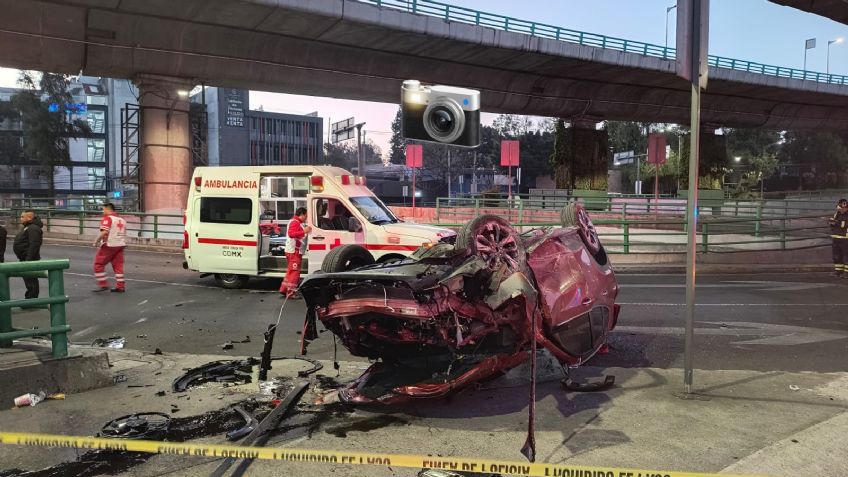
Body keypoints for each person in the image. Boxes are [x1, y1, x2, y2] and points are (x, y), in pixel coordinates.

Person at [93, 203, 127, 293]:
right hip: (120, 244)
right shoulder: (122, 220)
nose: (102, 211)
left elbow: (104, 232)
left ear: (108, 209)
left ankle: (103, 284)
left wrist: (96, 240)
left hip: (109, 245)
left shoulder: (108, 218)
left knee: (98, 264)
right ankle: (120, 286)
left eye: (103, 209)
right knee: (118, 266)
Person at [279, 207, 311, 298]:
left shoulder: (296, 222)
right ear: (303, 214)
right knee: (294, 272)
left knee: (290, 271)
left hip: (293, 251)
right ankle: (291, 293)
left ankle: (284, 289)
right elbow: (291, 234)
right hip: (294, 251)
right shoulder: (295, 222)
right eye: (306, 215)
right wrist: (304, 231)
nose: (307, 217)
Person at [12, 210, 43, 298]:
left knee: (31, 281)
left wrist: (28, 260)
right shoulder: (28, 227)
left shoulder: (33, 228)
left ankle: (31, 299)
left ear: (29, 218)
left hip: (28, 259)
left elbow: (34, 245)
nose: (20, 218)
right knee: (29, 280)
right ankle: (30, 298)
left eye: (22, 217)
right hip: (25, 258)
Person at [828, 198, 848, 278]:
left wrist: (836, 223)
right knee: (836, 256)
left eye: (841, 208)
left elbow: (844, 224)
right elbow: (832, 221)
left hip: (845, 238)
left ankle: (847, 273)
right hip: (836, 237)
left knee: (846, 256)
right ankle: (838, 271)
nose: (840, 210)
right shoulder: (837, 214)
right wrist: (831, 221)